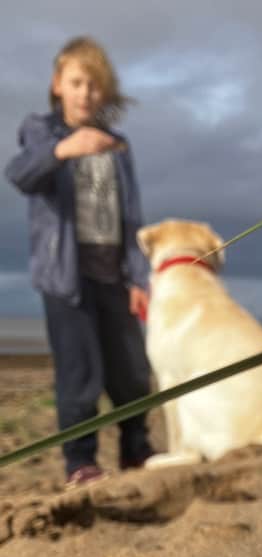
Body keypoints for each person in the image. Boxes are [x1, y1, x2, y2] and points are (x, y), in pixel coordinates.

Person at [5, 36, 154, 488]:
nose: (85, 93)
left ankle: (137, 449)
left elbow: (132, 216)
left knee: (130, 370)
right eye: (76, 82)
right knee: (80, 372)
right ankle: (81, 462)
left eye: (94, 84)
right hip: (65, 277)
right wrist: (62, 151)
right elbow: (20, 175)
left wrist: (138, 276)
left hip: (115, 273)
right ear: (57, 86)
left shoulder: (117, 144)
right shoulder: (41, 131)